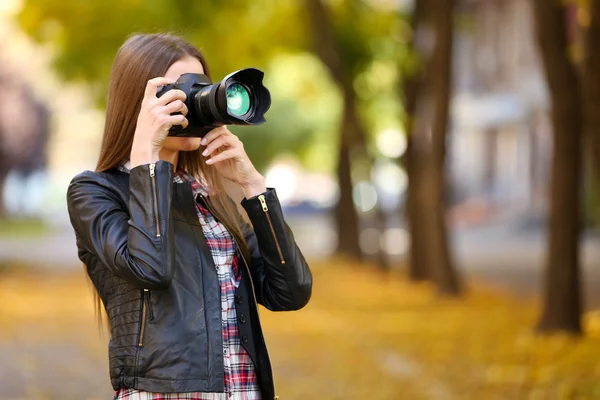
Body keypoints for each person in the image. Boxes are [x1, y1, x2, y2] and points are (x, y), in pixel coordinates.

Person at [66, 33, 312, 400]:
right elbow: (149, 268)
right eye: (179, 91)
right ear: (139, 102)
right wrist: (148, 156)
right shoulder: (96, 193)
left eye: (200, 88)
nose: (193, 101)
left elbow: (290, 292)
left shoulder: (212, 197)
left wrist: (253, 187)